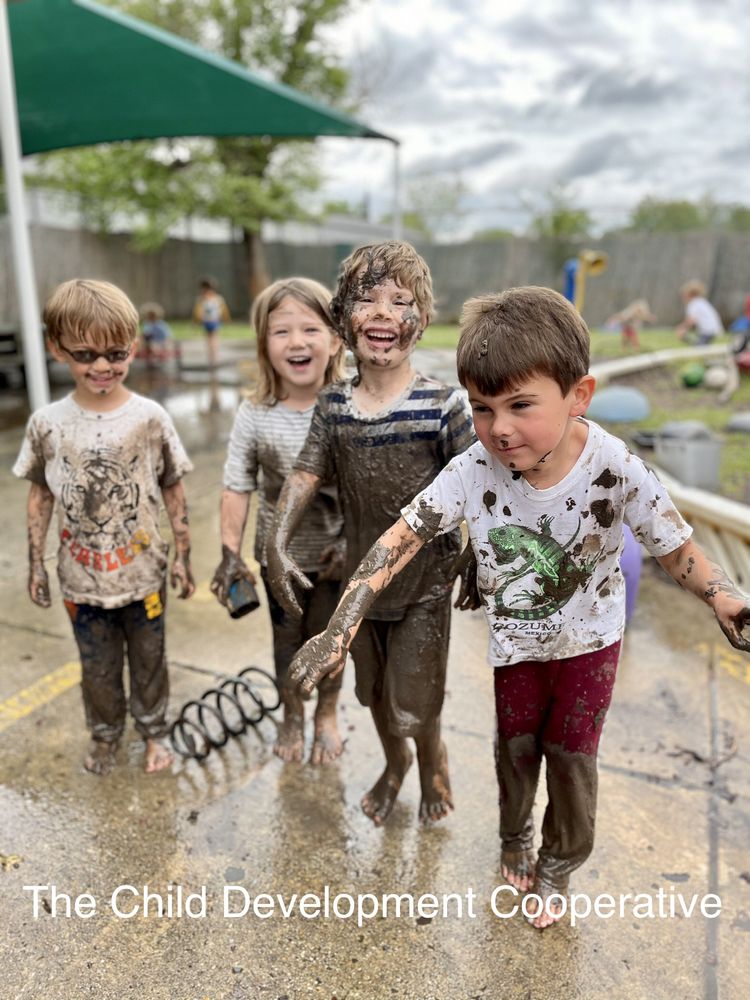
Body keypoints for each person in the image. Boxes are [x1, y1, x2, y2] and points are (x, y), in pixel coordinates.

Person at [286, 285, 750, 927]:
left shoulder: (616, 467)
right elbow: (400, 539)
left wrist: (722, 595)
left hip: (591, 645)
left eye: (520, 405)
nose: (499, 428)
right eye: (482, 407)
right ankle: (514, 837)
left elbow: (675, 547)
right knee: (516, 749)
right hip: (518, 649)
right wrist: (340, 628)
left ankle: (558, 865)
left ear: (577, 395)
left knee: (572, 757)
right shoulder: (473, 469)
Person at [267, 241, 477, 826]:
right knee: (375, 696)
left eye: (400, 301)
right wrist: (274, 540)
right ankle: (396, 765)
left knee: (419, 698)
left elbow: (480, 487)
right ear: (342, 319)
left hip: (425, 586)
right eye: (367, 299)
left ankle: (432, 762)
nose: (383, 313)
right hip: (357, 584)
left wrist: (481, 556)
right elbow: (308, 470)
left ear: (421, 319)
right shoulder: (334, 404)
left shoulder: (443, 405)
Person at [13, 279, 195, 776]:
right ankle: (105, 734)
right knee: (96, 668)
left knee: (150, 660)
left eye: (115, 353)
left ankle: (155, 731)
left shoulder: (150, 418)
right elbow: (40, 494)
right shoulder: (47, 424)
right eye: (85, 354)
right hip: (81, 581)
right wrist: (37, 565)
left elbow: (173, 485)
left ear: (133, 347)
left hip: (143, 577)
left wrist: (183, 553)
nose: (101, 366)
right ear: (56, 348)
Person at [210, 277, 348, 765]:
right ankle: (293, 712)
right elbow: (236, 484)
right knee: (286, 644)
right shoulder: (256, 415)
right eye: (280, 331)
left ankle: (326, 714)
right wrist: (230, 553)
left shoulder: (350, 409)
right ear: (264, 346)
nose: (296, 342)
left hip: (336, 558)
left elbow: (368, 492)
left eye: (310, 328)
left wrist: (355, 543)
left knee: (331, 644)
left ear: (335, 340)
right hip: (276, 559)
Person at [193, 278, 230, 368]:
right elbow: (197, 311)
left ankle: (214, 357)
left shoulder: (217, 299)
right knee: (209, 339)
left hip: (214, 321)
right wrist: (197, 320)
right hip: (206, 321)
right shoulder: (201, 299)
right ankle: (211, 357)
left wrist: (225, 318)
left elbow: (223, 310)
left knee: (214, 338)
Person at [676, 279, 723, 344]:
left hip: (708, 330)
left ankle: (687, 338)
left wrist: (682, 327)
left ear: (689, 294)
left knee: (699, 346)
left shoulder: (693, 303)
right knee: (700, 344)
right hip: (714, 329)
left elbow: (692, 320)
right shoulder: (701, 301)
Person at [139, 302, 175, 366]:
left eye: (151, 316)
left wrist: (165, 345)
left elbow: (168, 337)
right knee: (145, 341)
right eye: (149, 316)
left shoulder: (161, 325)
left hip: (160, 343)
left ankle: (154, 356)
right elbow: (145, 334)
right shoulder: (147, 324)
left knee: (153, 345)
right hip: (151, 342)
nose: (150, 317)